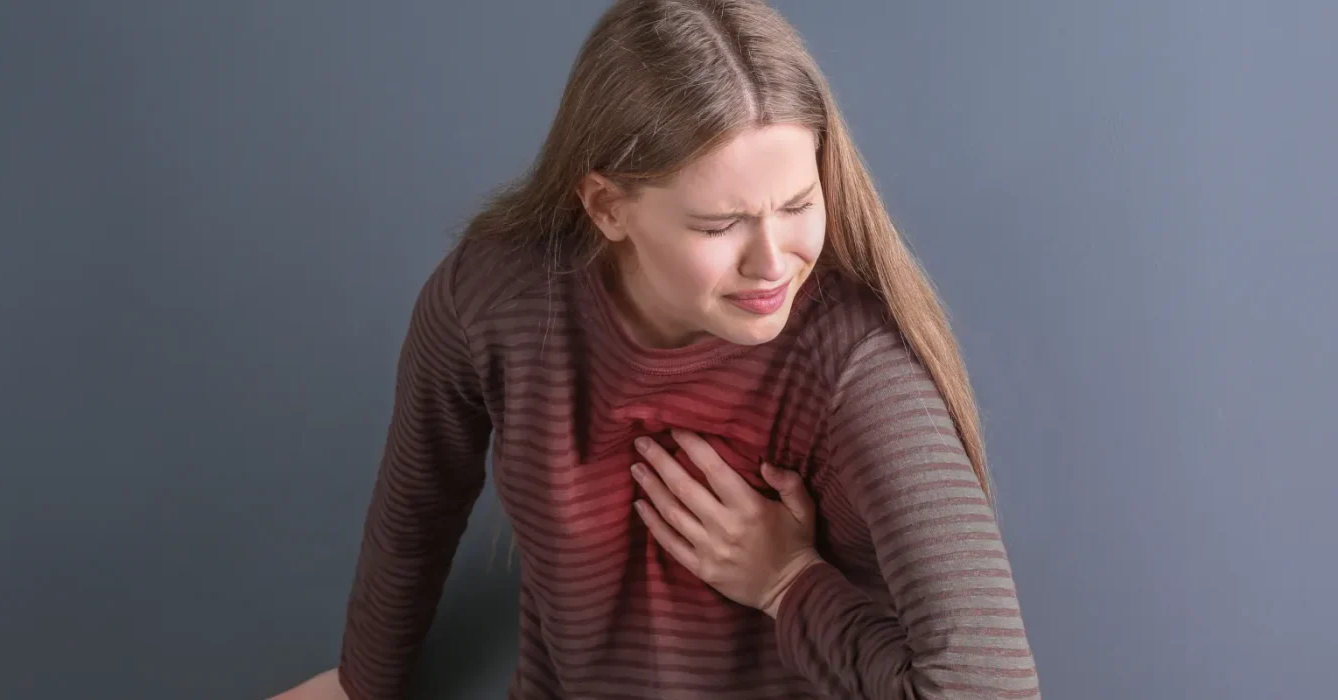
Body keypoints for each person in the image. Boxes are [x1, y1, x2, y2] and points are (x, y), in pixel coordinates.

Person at [273, 1, 1039, 698]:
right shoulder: (492, 300)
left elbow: (989, 690)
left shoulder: (854, 370)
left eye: (800, 205)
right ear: (607, 206)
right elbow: (418, 504)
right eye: (720, 225)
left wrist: (788, 585)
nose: (774, 263)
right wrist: (360, 684)